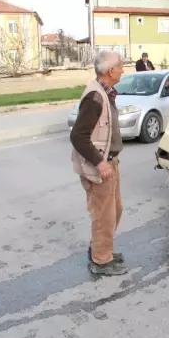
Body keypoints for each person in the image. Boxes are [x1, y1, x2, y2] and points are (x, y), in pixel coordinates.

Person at [70, 51, 128, 276]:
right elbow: (78, 136)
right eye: (121, 66)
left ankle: (102, 248)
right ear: (111, 71)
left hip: (110, 163)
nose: (123, 70)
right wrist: (100, 162)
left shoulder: (105, 92)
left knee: (115, 210)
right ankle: (101, 261)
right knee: (103, 214)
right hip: (99, 166)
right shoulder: (95, 97)